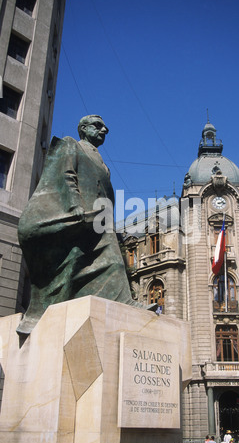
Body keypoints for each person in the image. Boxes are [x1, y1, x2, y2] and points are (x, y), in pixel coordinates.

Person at [17, 115, 155, 335]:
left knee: (110, 260)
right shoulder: (72, 145)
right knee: (74, 265)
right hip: (78, 214)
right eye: (98, 126)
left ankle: (123, 299)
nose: (104, 130)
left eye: (105, 127)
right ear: (83, 128)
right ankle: (40, 314)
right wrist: (74, 206)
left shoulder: (102, 163)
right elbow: (66, 175)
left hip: (98, 219)